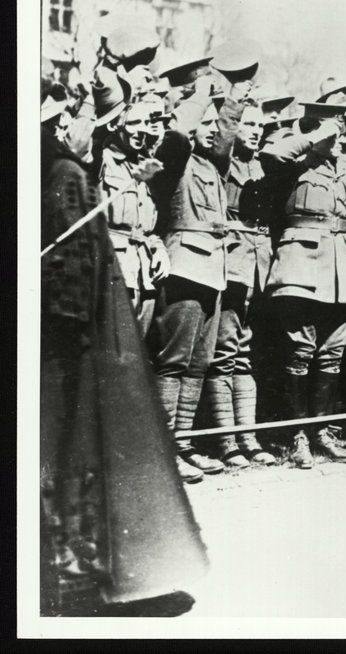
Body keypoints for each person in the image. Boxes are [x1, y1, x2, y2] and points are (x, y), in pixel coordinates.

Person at [41, 107, 208, 614]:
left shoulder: (60, 167)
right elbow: (67, 269)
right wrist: (74, 339)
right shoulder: (65, 173)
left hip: (71, 325)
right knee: (71, 450)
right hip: (67, 339)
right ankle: (73, 581)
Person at [147, 83, 247, 482]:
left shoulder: (211, 164)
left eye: (214, 124)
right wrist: (200, 97)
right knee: (173, 363)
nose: (212, 130)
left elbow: (226, 134)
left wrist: (235, 95)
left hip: (212, 271)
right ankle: (163, 449)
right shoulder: (175, 158)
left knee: (198, 364)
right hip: (184, 267)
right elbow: (177, 134)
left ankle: (183, 445)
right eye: (204, 123)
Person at [261, 99, 346, 469]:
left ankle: (321, 432)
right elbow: (272, 155)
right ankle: (297, 437)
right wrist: (316, 136)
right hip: (301, 267)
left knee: (332, 353)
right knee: (300, 351)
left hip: (342, 270)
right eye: (333, 132)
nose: (340, 138)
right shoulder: (296, 159)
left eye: (342, 130)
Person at [201, 101, 279, 469]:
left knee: (245, 353)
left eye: (261, 126)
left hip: (259, 264)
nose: (256, 131)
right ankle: (226, 442)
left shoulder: (264, 164)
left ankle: (248, 437)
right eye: (249, 124)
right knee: (224, 352)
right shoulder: (224, 160)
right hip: (232, 261)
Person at [98, 96, 169, 338]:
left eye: (146, 123)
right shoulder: (102, 159)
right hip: (113, 268)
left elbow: (150, 225)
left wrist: (159, 248)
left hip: (145, 271)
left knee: (138, 351)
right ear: (115, 125)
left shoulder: (146, 166)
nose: (141, 130)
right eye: (133, 123)